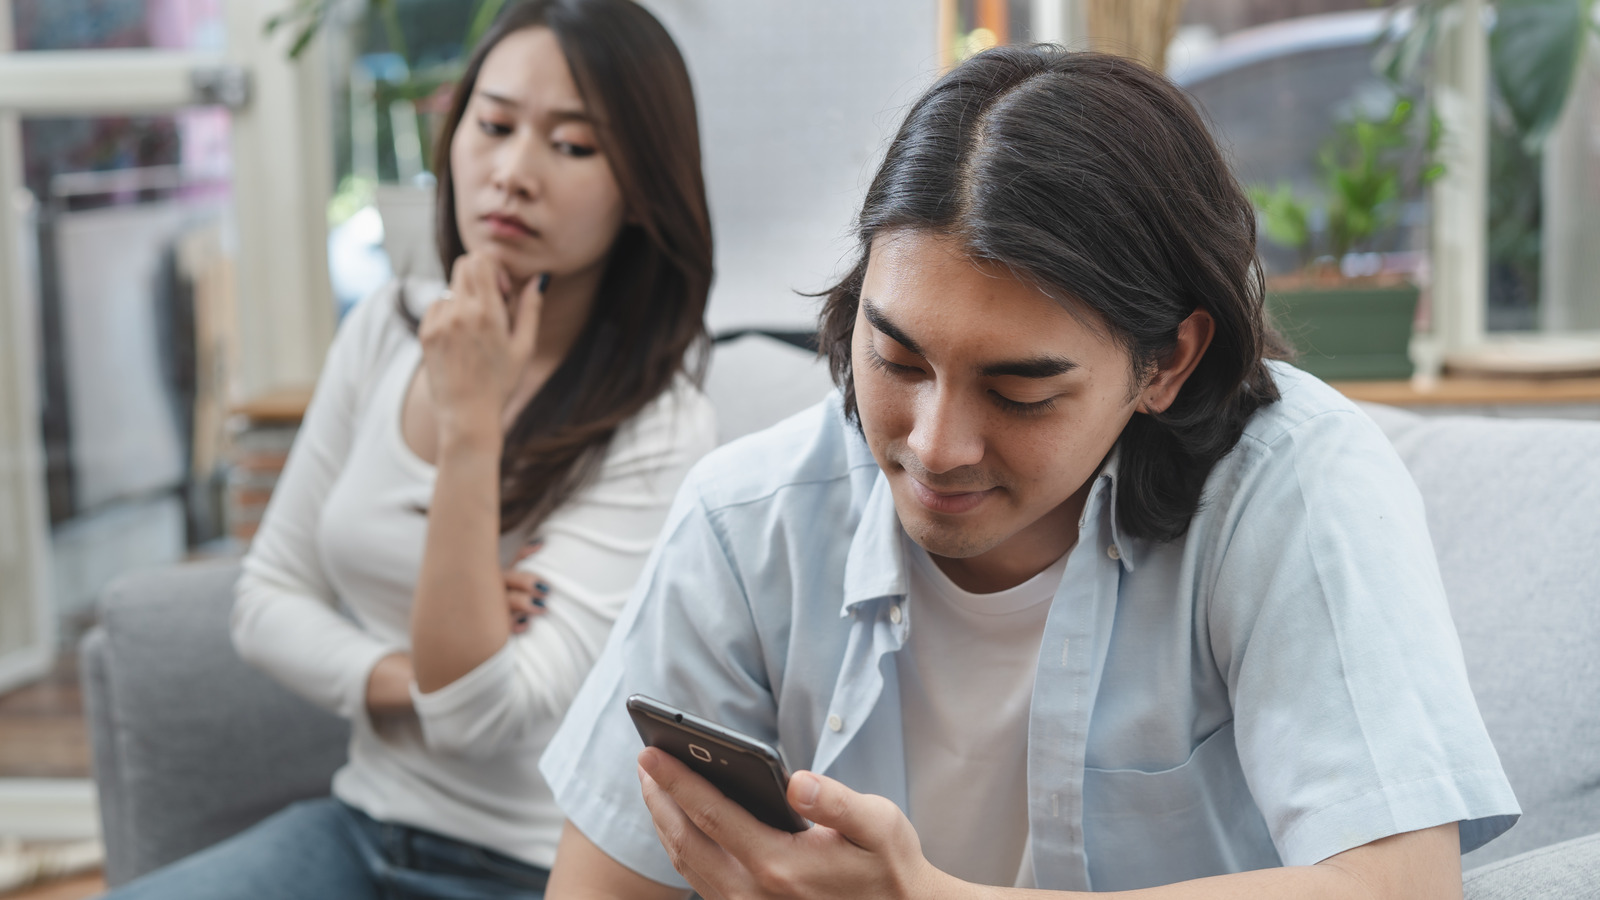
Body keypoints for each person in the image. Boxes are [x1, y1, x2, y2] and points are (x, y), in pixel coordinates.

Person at [537, 47, 1520, 899]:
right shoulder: (742, 522)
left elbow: (1399, 887)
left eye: (1018, 391)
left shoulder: (1289, 486)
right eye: (897, 358)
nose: (933, 445)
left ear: (1167, 363)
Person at [105, 2, 716, 898]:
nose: (512, 174)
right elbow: (265, 602)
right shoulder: (387, 331)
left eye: (573, 147)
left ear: (640, 190)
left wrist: (473, 425)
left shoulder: (660, 426)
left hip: (533, 867)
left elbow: (480, 717)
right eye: (494, 125)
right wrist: (404, 672)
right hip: (363, 827)